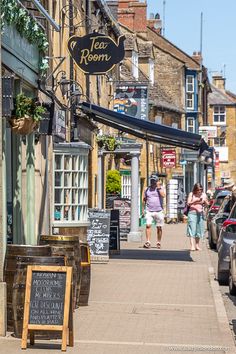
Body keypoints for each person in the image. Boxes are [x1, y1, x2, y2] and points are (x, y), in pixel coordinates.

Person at [142, 175, 166, 249]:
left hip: (159, 210)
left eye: (154, 180)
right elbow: (144, 199)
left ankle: (158, 242)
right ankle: (148, 241)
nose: (152, 182)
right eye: (151, 180)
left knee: (159, 227)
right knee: (148, 225)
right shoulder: (147, 189)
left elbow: (163, 195)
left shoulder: (161, 188)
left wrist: (158, 187)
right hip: (149, 210)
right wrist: (143, 209)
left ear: (157, 181)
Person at [187, 183, 209, 251]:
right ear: (195, 189)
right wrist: (195, 201)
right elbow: (188, 203)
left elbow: (208, 205)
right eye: (198, 190)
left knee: (199, 229)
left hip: (200, 214)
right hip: (192, 213)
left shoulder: (204, 194)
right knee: (192, 229)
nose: (200, 191)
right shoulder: (191, 194)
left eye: (201, 190)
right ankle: (192, 246)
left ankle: (197, 245)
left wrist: (205, 201)